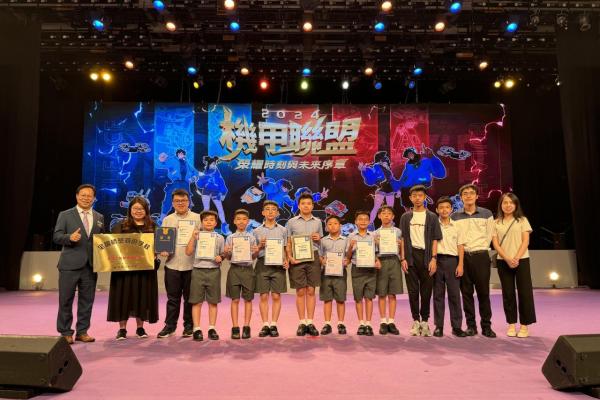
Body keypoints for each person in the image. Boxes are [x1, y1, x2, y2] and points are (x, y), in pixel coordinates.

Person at [53, 184, 105, 344]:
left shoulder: (99, 217)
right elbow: (56, 236)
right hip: (69, 265)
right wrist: (69, 238)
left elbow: (101, 240)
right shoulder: (65, 215)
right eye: (83, 195)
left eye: (89, 196)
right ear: (77, 196)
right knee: (65, 300)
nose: (86, 198)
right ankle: (65, 332)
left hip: (90, 266)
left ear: (94, 198)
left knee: (87, 301)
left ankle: (82, 332)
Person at [108, 197, 159, 340]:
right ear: (130, 210)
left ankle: (140, 328)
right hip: (124, 271)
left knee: (142, 296)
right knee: (123, 296)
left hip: (145, 271)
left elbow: (159, 246)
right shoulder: (120, 226)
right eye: (135, 208)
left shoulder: (153, 226)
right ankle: (122, 329)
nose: (138, 211)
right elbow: (111, 247)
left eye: (141, 209)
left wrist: (157, 252)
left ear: (146, 210)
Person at [451, 184, 496, 338]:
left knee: (484, 293)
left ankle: (486, 326)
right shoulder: (454, 216)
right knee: (466, 293)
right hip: (463, 257)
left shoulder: (487, 214)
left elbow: (490, 235)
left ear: (477, 196)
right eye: (465, 193)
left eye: (471, 193)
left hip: (481, 256)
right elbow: (454, 238)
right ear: (461, 197)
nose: (468, 195)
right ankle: (471, 326)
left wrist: (480, 248)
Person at [157, 189, 200, 339]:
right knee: (172, 299)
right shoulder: (167, 220)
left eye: (183, 200)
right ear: (173, 203)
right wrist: (162, 250)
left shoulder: (197, 218)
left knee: (190, 298)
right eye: (177, 201)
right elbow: (163, 241)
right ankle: (170, 326)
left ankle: (189, 326)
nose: (180, 203)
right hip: (172, 264)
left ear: (189, 202)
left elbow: (205, 239)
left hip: (192, 265)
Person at [399, 185, 442, 337]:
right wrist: (403, 258)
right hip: (410, 257)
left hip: (427, 257)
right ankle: (415, 321)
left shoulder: (432, 217)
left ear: (425, 198)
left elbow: (435, 239)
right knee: (412, 291)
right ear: (410, 198)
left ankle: (425, 321)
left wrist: (434, 259)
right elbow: (403, 239)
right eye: (414, 196)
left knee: (426, 291)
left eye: (420, 195)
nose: (417, 198)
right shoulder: (405, 217)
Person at [492, 193, 536, 338]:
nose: (508, 205)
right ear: (501, 205)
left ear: (516, 205)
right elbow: (495, 244)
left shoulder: (522, 220)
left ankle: (524, 325)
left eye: (511, 202)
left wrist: (516, 258)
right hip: (503, 261)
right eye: (505, 202)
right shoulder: (496, 222)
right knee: (508, 293)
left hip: (521, 259)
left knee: (525, 292)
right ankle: (511, 324)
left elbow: (526, 241)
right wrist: (507, 258)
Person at [285, 192, 324, 337]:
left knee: (311, 291)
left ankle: (310, 322)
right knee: (300, 291)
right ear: (299, 205)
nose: (306, 206)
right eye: (303, 203)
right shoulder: (291, 222)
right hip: (297, 258)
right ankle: (302, 322)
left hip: (313, 256)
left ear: (312, 206)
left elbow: (321, 241)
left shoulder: (318, 222)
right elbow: (288, 242)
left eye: (308, 203)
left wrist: (319, 238)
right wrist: (289, 257)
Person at [185, 210, 225, 341]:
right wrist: (193, 237)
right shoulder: (197, 236)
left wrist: (221, 257)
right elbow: (188, 252)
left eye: (212, 220)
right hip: (198, 271)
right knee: (196, 301)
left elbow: (223, 254)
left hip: (214, 271)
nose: (209, 222)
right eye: (206, 220)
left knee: (213, 302)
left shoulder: (220, 238)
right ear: (201, 222)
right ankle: (197, 329)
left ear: (216, 222)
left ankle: (212, 328)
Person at [253, 200, 289, 338]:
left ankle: (273, 324)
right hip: (262, 264)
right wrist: (259, 246)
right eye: (267, 209)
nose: (270, 212)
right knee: (263, 296)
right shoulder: (256, 231)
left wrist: (286, 260)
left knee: (276, 296)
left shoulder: (283, 230)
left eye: (273, 209)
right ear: (263, 212)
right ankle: (265, 325)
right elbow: (253, 253)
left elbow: (286, 248)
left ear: (277, 213)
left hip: (278, 265)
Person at [432, 197, 467, 338]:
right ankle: (438, 326)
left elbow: (461, 246)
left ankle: (456, 327)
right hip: (437, 261)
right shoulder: (433, 225)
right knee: (438, 295)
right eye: (441, 207)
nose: (444, 210)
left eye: (447, 207)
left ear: (451, 209)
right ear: (437, 210)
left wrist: (460, 264)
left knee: (454, 295)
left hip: (453, 261)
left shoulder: (457, 226)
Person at [224, 209, 259, 339]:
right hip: (234, 270)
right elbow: (228, 257)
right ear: (234, 221)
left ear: (248, 221)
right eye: (238, 219)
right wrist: (226, 252)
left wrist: (256, 251)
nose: (241, 221)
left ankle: (246, 327)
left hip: (248, 270)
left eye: (244, 219)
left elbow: (254, 257)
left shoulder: (252, 238)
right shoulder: (230, 238)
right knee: (235, 300)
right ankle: (235, 327)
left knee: (248, 299)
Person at [346, 211, 381, 336]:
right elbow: (348, 256)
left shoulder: (373, 235)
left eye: (366, 219)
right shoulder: (351, 236)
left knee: (369, 297)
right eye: (360, 219)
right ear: (355, 222)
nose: (363, 221)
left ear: (369, 222)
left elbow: (376, 253)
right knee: (358, 297)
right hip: (357, 269)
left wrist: (377, 261)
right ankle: (361, 323)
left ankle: (368, 324)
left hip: (370, 269)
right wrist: (351, 247)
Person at [373, 205, 403, 335]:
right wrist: (376, 258)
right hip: (381, 262)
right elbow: (372, 251)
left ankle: (391, 321)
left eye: (389, 213)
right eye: (383, 213)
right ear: (379, 216)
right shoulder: (375, 233)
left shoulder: (398, 232)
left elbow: (402, 249)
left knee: (392, 293)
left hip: (394, 261)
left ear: (393, 216)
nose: (386, 215)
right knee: (382, 293)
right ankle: (383, 322)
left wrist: (401, 247)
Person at [319, 215, 349, 335]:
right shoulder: (323, 240)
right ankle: (327, 324)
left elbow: (348, 256)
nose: (333, 226)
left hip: (340, 273)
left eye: (335, 223)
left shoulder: (346, 240)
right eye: (330, 224)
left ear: (340, 225)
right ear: (326, 227)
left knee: (340, 299)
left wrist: (347, 261)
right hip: (326, 273)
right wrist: (322, 261)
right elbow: (320, 255)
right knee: (327, 299)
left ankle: (341, 323)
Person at [157, 149, 198, 221]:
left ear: (184, 155)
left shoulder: (187, 163)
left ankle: (186, 219)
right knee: (169, 199)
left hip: (185, 183)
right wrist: (161, 160)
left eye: (182, 153)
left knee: (187, 201)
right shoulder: (173, 161)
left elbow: (195, 172)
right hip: (176, 182)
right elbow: (162, 164)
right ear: (177, 155)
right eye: (179, 153)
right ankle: (161, 219)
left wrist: (193, 178)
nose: (181, 154)